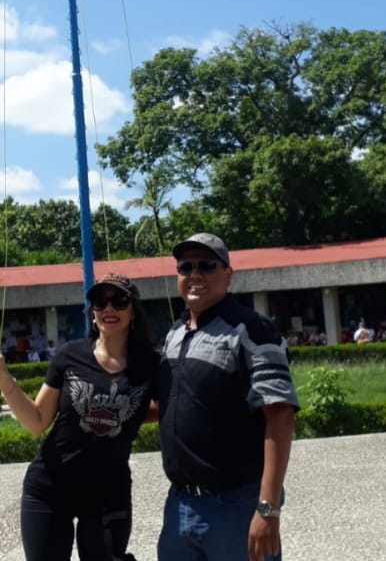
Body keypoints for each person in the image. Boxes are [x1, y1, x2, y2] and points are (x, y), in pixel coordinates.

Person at [0, 271, 156, 561]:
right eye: (100, 301)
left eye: (119, 300)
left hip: (108, 493)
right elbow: (36, 421)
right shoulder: (70, 355)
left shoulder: (150, 364)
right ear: (92, 312)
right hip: (50, 488)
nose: (109, 308)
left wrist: (124, 417)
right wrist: (3, 378)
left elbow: (163, 408)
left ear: (134, 309)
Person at [158, 232, 297, 561]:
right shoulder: (175, 333)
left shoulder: (252, 330)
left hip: (236, 506)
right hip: (179, 505)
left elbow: (280, 416)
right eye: (185, 266)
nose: (194, 275)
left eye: (206, 266)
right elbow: (166, 405)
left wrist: (268, 508)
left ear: (228, 274)